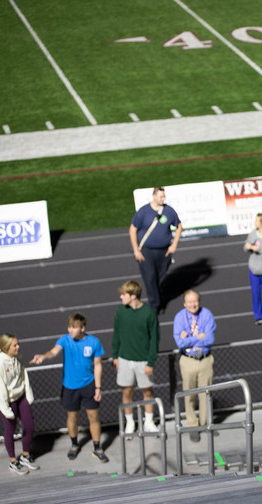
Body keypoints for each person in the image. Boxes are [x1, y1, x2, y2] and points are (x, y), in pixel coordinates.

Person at [30, 312, 108, 463]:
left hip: (89, 385)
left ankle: (97, 448)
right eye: (69, 327)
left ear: (82, 328)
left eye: (74, 327)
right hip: (70, 387)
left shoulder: (94, 342)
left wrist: (98, 387)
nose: (70, 330)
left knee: (93, 416)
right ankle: (74, 445)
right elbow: (53, 352)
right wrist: (43, 356)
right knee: (72, 417)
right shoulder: (65, 340)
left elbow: (98, 365)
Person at [112, 280, 160, 434]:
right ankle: (130, 423)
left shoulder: (149, 313)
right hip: (124, 359)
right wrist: (115, 356)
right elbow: (116, 334)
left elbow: (154, 339)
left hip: (144, 361)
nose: (121, 297)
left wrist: (150, 362)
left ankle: (149, 422)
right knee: (127, 392)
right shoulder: (121, 311)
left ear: (133, 296)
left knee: (148, 392)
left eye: (123, 294)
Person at [0, 334, 39, 475]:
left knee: (29, 426)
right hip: (8, 401)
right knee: (10, 431)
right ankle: (13, 461)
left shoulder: (16, 358)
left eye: (17, 344)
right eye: (15, 345)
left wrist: (28, 395)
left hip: (20, 397)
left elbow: (23, 375)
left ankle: (25, 456)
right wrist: (6, 410)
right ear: (6, 347)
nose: (18, 347)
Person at [173, 290, 217, 442]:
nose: (193, 305)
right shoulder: (179, 318)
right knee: (189, 394)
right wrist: (198, 336)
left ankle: (206, 424)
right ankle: (193, 425)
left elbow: (210, 338)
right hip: (188, 361)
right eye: (190, 302)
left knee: (206, 394)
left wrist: (189, 339)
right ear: (184, 304)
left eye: (195, 301)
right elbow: (180, 343)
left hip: (205, 359)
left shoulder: (207, 315)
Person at [129, 186, 183, 311]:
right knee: (150, 278)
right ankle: (155, 305)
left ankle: (157, 299)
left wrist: (174, 245)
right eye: (160, 196)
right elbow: (132, 229)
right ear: (154, 196)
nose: (163, 199)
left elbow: (179, 226)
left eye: (164, 196)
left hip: (164, 251)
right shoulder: (143, 212)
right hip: (146, 251)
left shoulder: (169, 211)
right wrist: (136, 250)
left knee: (160, 278)